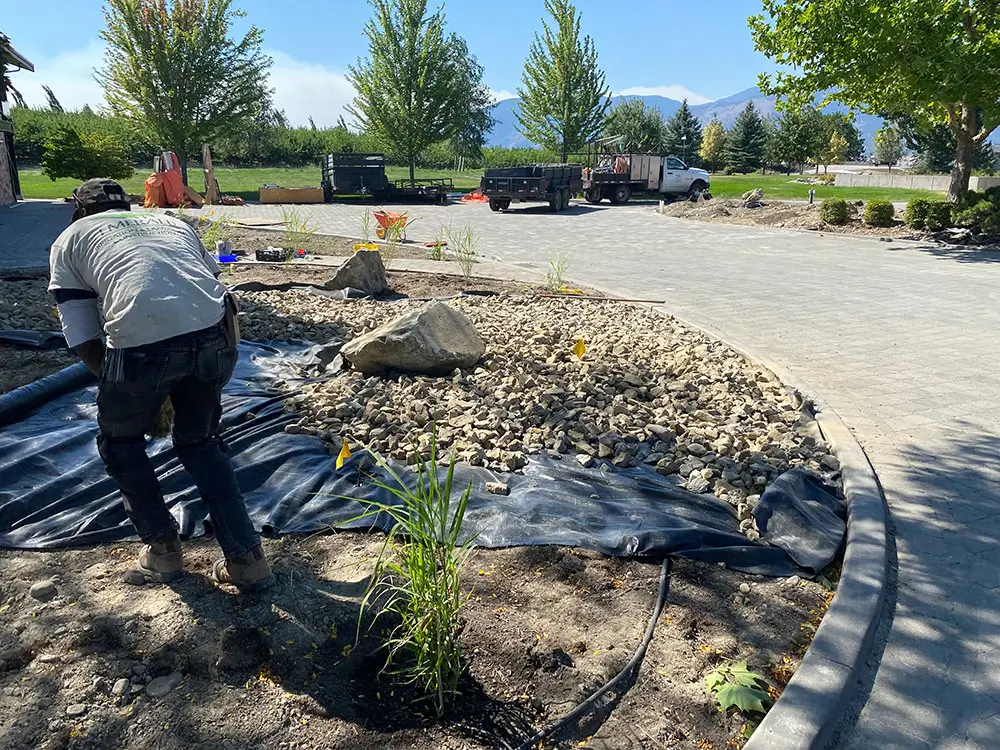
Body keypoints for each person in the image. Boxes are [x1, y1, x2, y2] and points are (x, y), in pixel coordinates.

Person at [48, 178, 274, 591]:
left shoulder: (70, 238)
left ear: (78, 211)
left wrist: (131, 394)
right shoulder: (168, 222)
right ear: (128, 208)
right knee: (201, 441)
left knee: (121, 441)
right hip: (218, 336)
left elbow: (81, 334)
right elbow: (204, 286)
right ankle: (248, 560)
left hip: (143, 346)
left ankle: (164, 550)